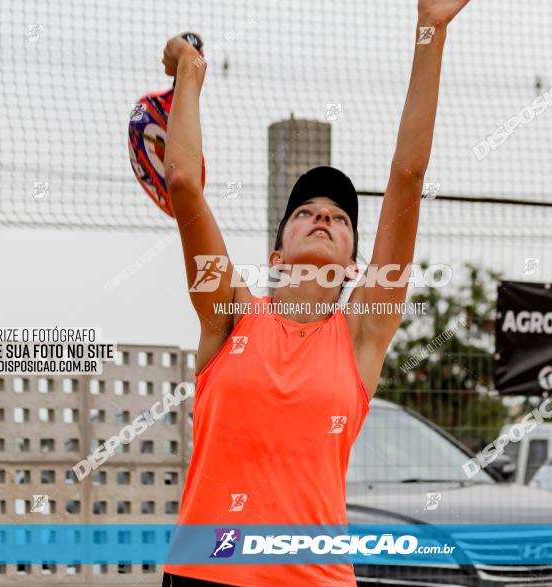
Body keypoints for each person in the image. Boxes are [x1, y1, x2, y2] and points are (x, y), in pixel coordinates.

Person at [160, 1, 470, 584]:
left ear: (355, 266)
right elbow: (182, 182)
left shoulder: (361, 335)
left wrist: (432, 29)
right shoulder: (229, 316)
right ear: (277, 254)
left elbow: (408, 176)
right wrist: (188, 74)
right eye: (305, 211)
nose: (324, 217)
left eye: (340, 217)